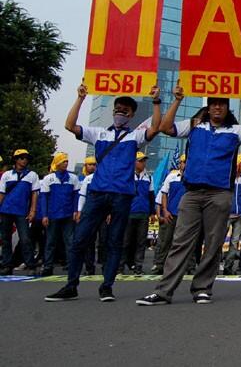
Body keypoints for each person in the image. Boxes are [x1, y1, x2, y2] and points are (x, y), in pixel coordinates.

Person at [136, 82, 241, 306]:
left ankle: (202, 288)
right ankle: (164, 291)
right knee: (180, 242)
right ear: (208, 107)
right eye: (213, 104)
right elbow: (166, 128)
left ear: (227, 108)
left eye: (222, 105)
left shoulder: (234, 132)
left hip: (219, 194)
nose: (217, 108)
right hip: (192, 193)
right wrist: (177, 100)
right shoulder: (195, 125)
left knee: (214, 243)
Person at [46, 84, 162, 304]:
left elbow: (155, 128)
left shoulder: (135, 137)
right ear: (113, 111)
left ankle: (106, 287)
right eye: (118, 109)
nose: (121, 112)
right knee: (80, 239)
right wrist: (80, 98)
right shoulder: (98, 133)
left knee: (114, 242)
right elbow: (70, 125)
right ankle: (71, 286)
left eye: (125, 110)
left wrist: (156, 101)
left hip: (122, 196)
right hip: (97, 194)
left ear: (132, 115)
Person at [39, 152, 80, 277]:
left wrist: (75, 211)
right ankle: (48, 266)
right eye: (63, 161)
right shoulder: (48, 179)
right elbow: (44, 198)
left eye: (67, 161)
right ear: (57, 163)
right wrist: (44, 215)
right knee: (50, 241)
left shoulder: (73, 178)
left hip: (68, 215)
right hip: (53, 215)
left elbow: (76, 196)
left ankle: (71, 264)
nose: (66, 163)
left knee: (70, 241)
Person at [0, 149, 39, 275]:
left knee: (25, 238)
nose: (24, 160)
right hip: (6, 209)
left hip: (22, 211)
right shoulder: (7, 175)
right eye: (21, 158)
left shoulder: (32, 175)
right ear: (16, 160)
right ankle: (7, 265)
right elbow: (2, 193)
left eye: (26, 158)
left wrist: (33, 210)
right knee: (6, 239)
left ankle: (30, 265)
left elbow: (34, 194)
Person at [120, 152, 154, 275]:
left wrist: (152, 212)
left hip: (143, 213)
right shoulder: (127, 176)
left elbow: (151, 196)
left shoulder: (149, 177)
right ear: (134, 162)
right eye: (140, 161)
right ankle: (120, 266)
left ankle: (138, 266)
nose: (143, 163)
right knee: (125, 241)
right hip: (129, 212)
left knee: (141, 242)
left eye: (144, 161)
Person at [153, 155, 187, 275]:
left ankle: (185, 267)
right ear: (179, 164)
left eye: (187, 162)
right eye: (183, 162)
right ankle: (159, 264)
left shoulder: (192, 178)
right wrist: (165, 210)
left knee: (184, 242)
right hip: (171, 214)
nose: (185, 164)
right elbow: (164, 194)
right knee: (166, 241)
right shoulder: (172, 177)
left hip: (186, 215)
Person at [223, 155, 241, 274]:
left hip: (239, 216)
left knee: (235, 242)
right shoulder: (228, 178)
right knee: (219, 241)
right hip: (226, 215)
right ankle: (213, 266)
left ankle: (228, 266)